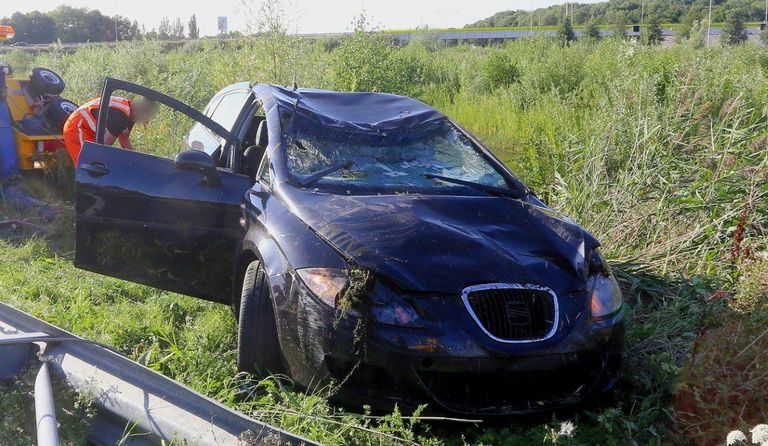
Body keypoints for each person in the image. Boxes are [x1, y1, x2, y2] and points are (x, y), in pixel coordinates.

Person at [62, 96, 157, 165]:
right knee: (88, 165)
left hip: (91, 131)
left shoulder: (131, 113)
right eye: (147, 116)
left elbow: (124, 139)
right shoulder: (120, 117)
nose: (145, 121)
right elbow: (104, 146)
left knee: (96, 163)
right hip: (76, 128)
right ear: (141, 108)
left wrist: (137, 159)